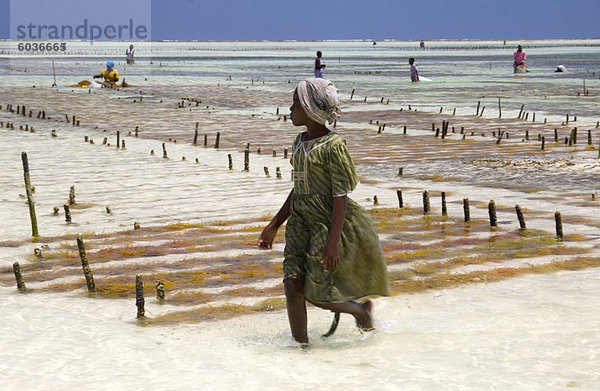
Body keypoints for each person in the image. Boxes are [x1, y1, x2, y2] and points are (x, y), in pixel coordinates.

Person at [257, 78, 390, 345]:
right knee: (292, 286)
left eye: (295, 103)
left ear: (310, 108)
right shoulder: (299, 142)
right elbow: (299, 188)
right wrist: (274, 225)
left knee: (318, 293)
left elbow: (340, 196)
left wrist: (333, 242)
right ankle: (301, 348)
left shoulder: (333, 146)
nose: (290, 108)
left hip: (325, 224)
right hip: (299, 223)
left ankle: (360, 311)